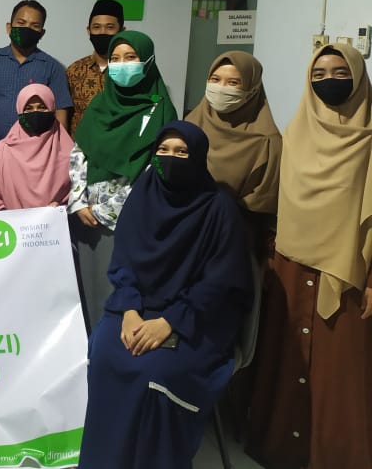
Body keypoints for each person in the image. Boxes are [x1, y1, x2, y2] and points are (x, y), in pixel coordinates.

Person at [79, 121, 252, 469]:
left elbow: (218, 283)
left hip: (197, 317)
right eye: (163, 150)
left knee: (154, 370)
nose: (170, 158)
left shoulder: (218, 208)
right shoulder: (143, 196)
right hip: (138, 306)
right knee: (106, 352)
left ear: (198, 157)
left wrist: (170, 322)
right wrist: (129, 310)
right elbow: (124, 261)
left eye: (181, 152)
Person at [247, 44, 372, 469]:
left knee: (341, 374)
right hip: (291, 266)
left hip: (349, 273)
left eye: (340, 72)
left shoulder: (369, 138)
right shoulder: (295, 133)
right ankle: (281, 450)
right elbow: (278, 202)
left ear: (358, 78)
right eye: (318, 74)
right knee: (286, 364)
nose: (328, 80)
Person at [68, 30, 177, 331]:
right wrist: (78, 202)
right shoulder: (99, 106)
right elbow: (79, 154)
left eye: (130, 57)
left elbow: (159, 168)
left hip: (134, 220)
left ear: (147, 61)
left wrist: (119, 209)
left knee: (124, 297)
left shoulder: (162, 110)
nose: (122, 64)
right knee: (91, 292)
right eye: (115, 59)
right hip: (89, 220)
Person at [184, 51, 281, 254]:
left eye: (233, 82)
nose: (221, 88)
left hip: (233, 239)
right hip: (184, 227)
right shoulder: (190, 125)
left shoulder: (266, 141)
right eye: (215, 79)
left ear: (252, 89)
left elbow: (261, 203)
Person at [0, 0, 72, 148]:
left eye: (35, 26)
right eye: (21, 23)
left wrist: (57, 151)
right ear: (9, 27)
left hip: (37, 152)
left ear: (42, 33)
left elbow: (60, 114)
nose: (27, 29)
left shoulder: (53, 68)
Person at [0, 84, 73, 211]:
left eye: (42, 107)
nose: (35, 112)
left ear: (52, 109)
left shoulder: (70, 153)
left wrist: (63, 207)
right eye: (28, 108)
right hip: (12, 223)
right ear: (19, 111)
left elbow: (79, 197)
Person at [66, 0, 125, 133]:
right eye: (96, 27)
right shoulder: (74, 70)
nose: (102, 32)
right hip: (80, 144)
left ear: (122, 30)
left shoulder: (129, 70)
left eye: (110, 27)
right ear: (89, 30)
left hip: (119, 143)